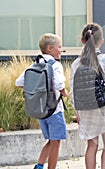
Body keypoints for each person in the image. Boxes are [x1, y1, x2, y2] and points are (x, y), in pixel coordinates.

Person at [70, 23, 105, 169]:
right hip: (104, 107)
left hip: (85, 109)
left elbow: (72, 91)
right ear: (101, 41)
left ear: (82, 40)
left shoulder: (76, 63)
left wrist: (77, 112)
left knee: (91, 146)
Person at [15, 33, 69, 169]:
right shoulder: (55, 65)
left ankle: (39, 166)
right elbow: (59, 85)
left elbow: (19, 82)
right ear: (50, 48)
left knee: (51, 140)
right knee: (56, 142)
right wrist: (65, 92)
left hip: (41, 110)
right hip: (54, 110)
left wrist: (38, 89)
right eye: (60, 47)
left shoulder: (35, 64)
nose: (61, 50)